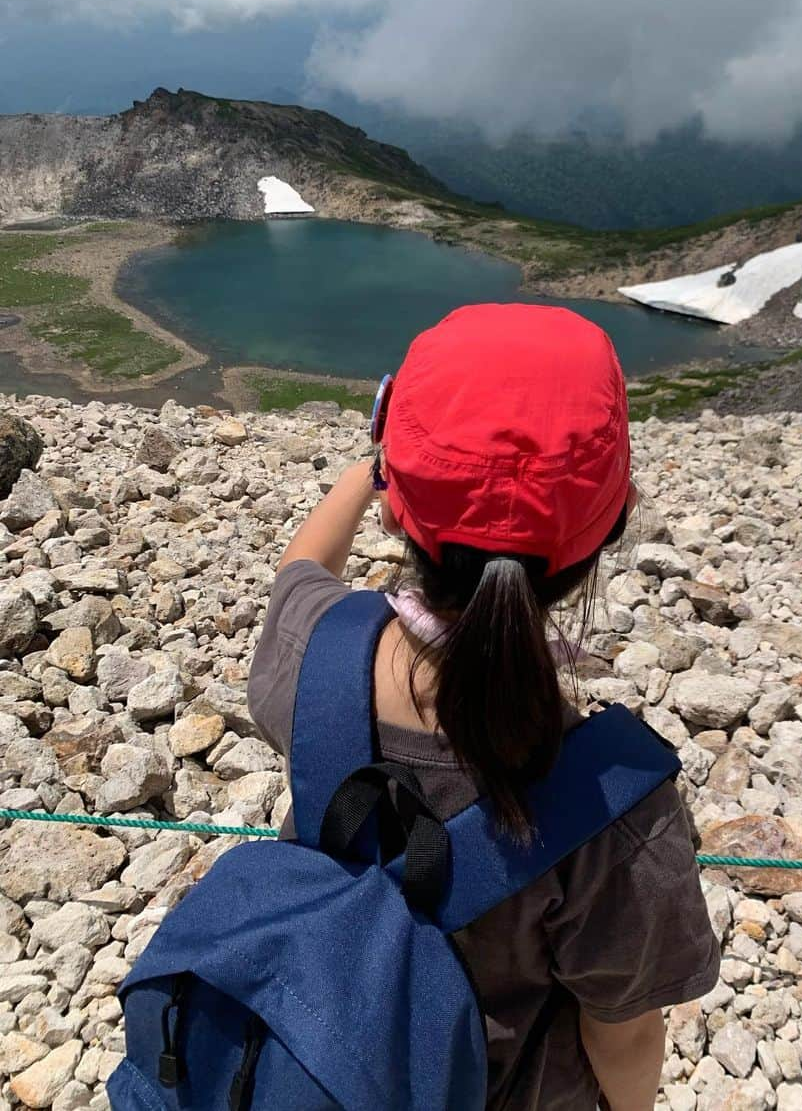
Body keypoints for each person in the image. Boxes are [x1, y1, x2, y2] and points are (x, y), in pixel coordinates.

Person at [248, 303, 720, 1111]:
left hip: (315, 1058)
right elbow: (625, 1034)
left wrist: (379, 467)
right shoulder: (618, 803)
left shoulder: (309, 655)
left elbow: (300, 567)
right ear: (612, 523)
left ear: (398, 509)